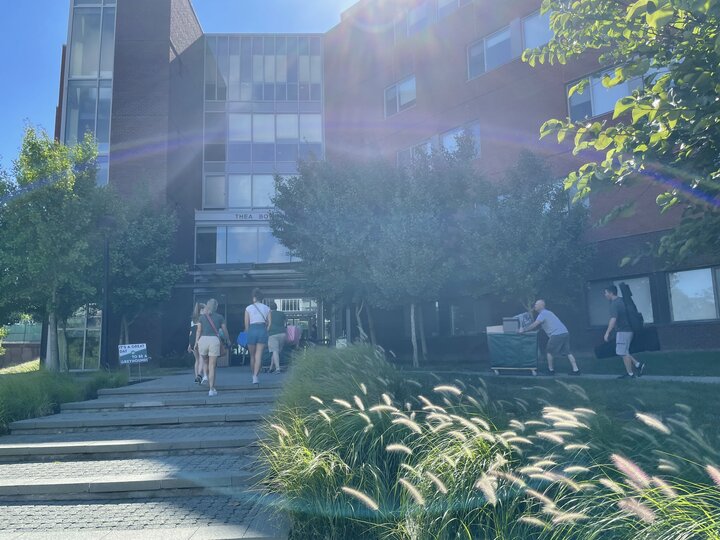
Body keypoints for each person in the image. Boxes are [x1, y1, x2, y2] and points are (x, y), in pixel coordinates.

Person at [520, 299, 581, 375]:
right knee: (567, 352)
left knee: (549, 352)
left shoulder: (542, 314)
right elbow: (548, 324)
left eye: (536, 304)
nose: (534, 305)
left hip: (556, 334)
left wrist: (524, 330)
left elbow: (534, 324)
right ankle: (576, 370)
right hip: (565, 332)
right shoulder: (548, 313)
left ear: (541, 306)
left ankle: (550, 371)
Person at [604, 285, 645, 378]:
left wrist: (607, 332)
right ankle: (638, 365)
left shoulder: (614, 304)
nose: (605, 295)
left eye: (606, 293)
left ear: (611, 293)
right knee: (624, 351)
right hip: (629, 330)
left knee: (621, 352)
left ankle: (630, 374)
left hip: (623, 331)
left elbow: (613, 319)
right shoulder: (622, 300)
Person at [195, 298, 229, 396]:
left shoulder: (201, 317)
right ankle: (211, 389)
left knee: (205, 361)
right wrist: (227, 339)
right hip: (214, 340)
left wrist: (196, 342)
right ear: (216, 307)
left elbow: (198, 330)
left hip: (203, 340)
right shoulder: (219, 317)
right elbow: (224, 329)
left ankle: (205, 376)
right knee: (212, 366)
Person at [245, 288, 271, 385]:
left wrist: (249, 332)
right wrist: (266, 330)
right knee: (258, 355)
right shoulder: (266, 308)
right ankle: (256, 376)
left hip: (252, 330)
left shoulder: (248, 308)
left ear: (254, 297)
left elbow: (246, 324)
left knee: (252, 355)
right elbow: (270, 323)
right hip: (262, 330)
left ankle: (253, 375)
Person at [188, 302, 206, 384]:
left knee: (197, 360)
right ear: (201, 310)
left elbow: (191, 332)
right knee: (203, 358)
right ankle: (202, 375)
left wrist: (189, 344)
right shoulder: (203, 319)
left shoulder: (193, 319)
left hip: (191, 340)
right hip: (199, 340)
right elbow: (199, 331)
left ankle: (196, 377)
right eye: (205, 309)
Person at [266, 301, 286, 373]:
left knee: (275, 351)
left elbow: (266, 324)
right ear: (276, 307)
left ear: (269, 308)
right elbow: (285, 323)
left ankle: (277, 368)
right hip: (282, 334)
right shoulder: (282, 313)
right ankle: (271, 368)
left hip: (272, 334)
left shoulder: (268, 314)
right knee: (276, 352)